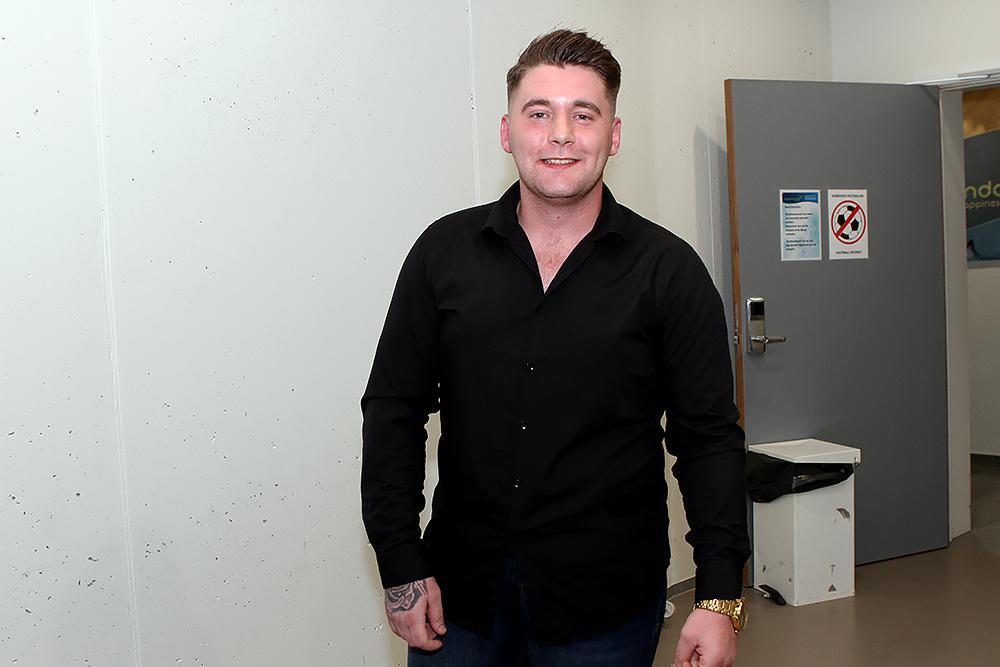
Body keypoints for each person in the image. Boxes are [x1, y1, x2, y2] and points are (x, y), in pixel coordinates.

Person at [362, 29, 749, 667]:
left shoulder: (669, 272)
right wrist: (400, 563)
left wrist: (718, 595)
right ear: (507, 131)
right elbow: (393, 410)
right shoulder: (442, 254)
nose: (561, 134)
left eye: (583, 114)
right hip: (458, 598)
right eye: (539, 113)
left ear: (613, 135)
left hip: (604, 608)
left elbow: (708, 439)